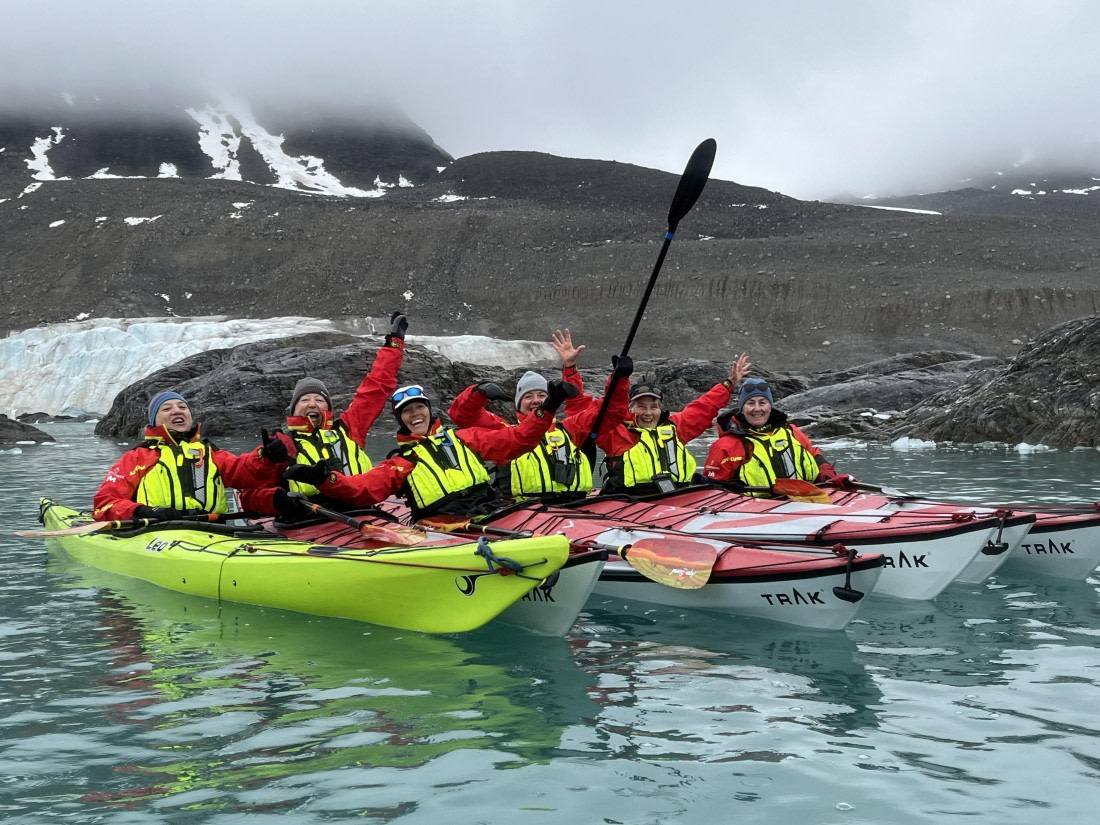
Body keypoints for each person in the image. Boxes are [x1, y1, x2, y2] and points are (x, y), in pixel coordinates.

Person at [281, 379, 578, 521]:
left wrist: (550, 406)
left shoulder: (464, 437)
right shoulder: (401, 462)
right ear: (402, 421)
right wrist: (325, 479)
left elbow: (518, 441)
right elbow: (362, 490)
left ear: (429, 411)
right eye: (407, 412)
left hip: (489, 512)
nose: (415, 414)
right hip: (443, 526)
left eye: (419, 407)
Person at [238, 312, 408, 514]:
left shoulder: (348, 430)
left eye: (319, 400)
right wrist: (278, 500)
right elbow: (249, 497)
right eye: (304, 400)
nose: (312, 404)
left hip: (361, 512)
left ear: (328, 409)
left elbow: (376, 386)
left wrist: (394, 343)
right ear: (293, 410)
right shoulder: (281, 446)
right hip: (308, 520)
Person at [447, 329, 630, 502]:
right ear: (518, 404)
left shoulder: (570, 429)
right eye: (528, 396)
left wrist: (619, 379)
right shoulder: (502, 431)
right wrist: (478, 393)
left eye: (542, 395)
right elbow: (461, 416)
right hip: (519, 509)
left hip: (575, 507)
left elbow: (610, 411)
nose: (536, 401)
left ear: (551, 399)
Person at [92, 390, 293, 521]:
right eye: (167, 408)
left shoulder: (209, 453)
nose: (176, 411)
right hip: (155, 531)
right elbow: (105, 502)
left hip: (213, 529)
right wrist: (143, 511)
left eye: (182, 407)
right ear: (154, 420)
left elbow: (242, 471)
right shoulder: (138, 457)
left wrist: (266, 456)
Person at [598, 354, 751, 495]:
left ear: (661, 409)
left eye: (654, 407)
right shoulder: (616, 432)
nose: (648, 412)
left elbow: (705, 406)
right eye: (641, 407)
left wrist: (729, 382)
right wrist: (619, 379)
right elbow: (611, 405)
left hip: (675, 497)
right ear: (631, 409)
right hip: (628, 500)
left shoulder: (675, 428)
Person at [702, 376, 856, 494]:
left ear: (770, 406)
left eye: (762, 402)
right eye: (750, 403)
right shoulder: (725, 446)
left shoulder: (792, 432)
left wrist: (828, 477)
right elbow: (714, 492)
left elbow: (815, 456)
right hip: (755, 514)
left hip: (805, 503)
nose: (757, 409)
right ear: (742, 409)